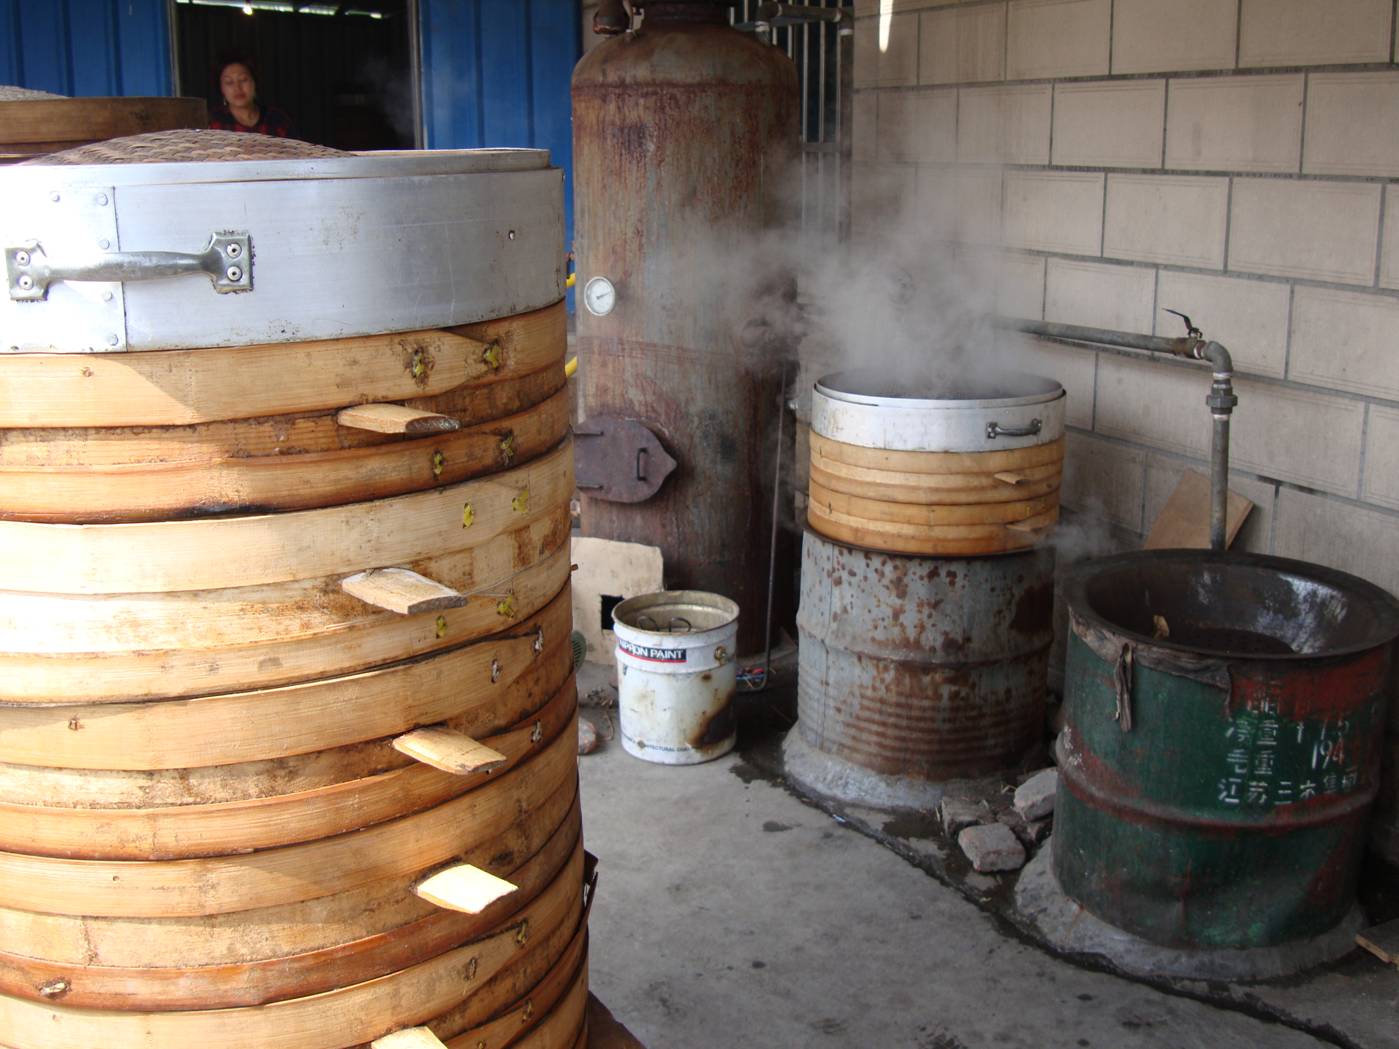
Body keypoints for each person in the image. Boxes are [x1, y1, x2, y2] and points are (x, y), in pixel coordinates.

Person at [209, 55, 296, 138]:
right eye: (229, 82)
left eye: (243, 80)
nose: (237, 88)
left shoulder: (277, 119)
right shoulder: (212, 123)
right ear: (221, 88)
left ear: (254, 82)